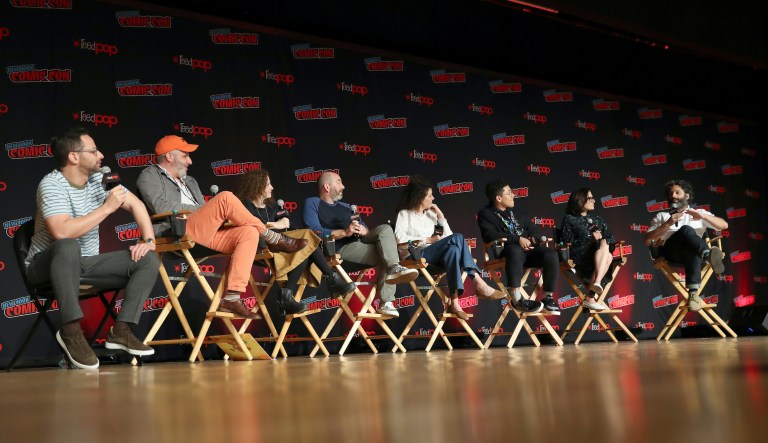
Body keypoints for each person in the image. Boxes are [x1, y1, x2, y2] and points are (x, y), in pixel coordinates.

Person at [24, 127, 159, 369]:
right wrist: (106, 209)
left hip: (84, 262)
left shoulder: (100, 179)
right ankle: (71, 332)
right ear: (74, 157)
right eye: (94, 150)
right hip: (45, 264)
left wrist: (148, 241)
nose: (101, 155)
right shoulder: (52, 184)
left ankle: (122, 330)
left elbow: (137, 205)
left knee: (148, 259)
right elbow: (62, 232)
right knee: (67, 246)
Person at [137, 135, 306, 321]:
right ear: (169, 156)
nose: (190, 160)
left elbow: (204, 213)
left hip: (202, 234)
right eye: (185, 156)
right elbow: (160, 207)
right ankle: (274, 238)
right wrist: (208, 208)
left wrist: (211, 211)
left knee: (248, 232)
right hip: (175, 232)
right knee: (225, 197)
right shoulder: (149, 175)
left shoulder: (190, 181)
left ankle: (232, 297)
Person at [236, 169, 356, 314]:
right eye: (268, 184)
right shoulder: (244, 205)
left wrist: (287, 225)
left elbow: (294, 229)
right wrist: (276, 225)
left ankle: (287, 295)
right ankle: (330, 278)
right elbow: (250, 227)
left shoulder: (272, 207)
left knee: (305, 245)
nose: (272, 188)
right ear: (257, 185)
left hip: (282, 246)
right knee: (306, 242)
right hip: (260, 248)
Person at [302, 172, 418, 318]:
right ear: (326, 186)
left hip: (360, 241)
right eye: (339, 182)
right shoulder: (312, 202)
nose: (343, 186)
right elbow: (313, 232)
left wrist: (364, 230)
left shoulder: (346, 206)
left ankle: (394, 268)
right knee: (387, 253)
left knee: (386, 229)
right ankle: (387, 301)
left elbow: (363, 226)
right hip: (338, 249)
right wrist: (344, 232)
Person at [395, 176, 503, 320]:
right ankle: (478, 283)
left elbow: (450, 238)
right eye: (430, 195)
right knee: (457, 239)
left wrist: (441, 216)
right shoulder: (405, 214)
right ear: (420, 198)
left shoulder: (431, 217)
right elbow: (399, 240)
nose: (433, 198)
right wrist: (427, 239)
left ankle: (455, 302)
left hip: (436, 259)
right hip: (415, 258)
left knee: (453, 250)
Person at [478, 179, 562, 314]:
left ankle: (548, 298)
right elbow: (489, 235)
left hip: (528, 252)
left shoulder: (517, 212)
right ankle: (516, 298)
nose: (513, 195)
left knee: (550, 254)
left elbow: (533, 229)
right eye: (509, 193)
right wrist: (517, 239)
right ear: (499, 198)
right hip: (508, 252)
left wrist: (531, 240)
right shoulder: (486, 214)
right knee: (514, 249)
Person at [644, 179, 727, 311]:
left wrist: (703, 217)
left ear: (687, 196)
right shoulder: (663, 216)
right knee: (686, 230)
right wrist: (667, 224)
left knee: (691, 249)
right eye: (671, 194)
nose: (673, 196)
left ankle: (693, 295)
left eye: (677, 192)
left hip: (692, 254)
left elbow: (724, 225)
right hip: (670, 254)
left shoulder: (699, 213)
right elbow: (647, 240)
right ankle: (707, 254)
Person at [560, 188, 616, 311]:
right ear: (580, 200)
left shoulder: (598, 219)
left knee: (605, 245)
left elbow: (611, 237)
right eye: (590, 198)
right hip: (580, 255)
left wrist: (602, 239)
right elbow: (567, 243)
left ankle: (593, 291)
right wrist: (589, 238)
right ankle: (592, 293)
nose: (594, 200)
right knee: (608, 256)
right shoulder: (569, 219)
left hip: (598, 254)